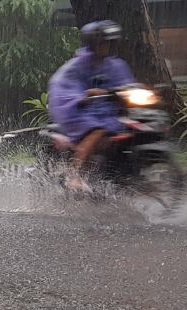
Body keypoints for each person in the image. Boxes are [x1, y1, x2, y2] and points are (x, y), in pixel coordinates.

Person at [47, 20, 136, 190]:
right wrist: (83, 96)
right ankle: (75, 176)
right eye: (102, 42)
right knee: (98, 130)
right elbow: (62, 87)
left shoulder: (116, 65)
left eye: (109, 42)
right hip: (77, 112)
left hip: (106, 112)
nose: (106, 46)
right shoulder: (77, 65)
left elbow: (127, 85)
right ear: (93, 44)